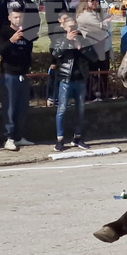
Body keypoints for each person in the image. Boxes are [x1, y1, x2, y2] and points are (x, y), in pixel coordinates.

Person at [0, 9, 35, 151]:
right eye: (16, 17)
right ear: (10, 18)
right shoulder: (4, 33)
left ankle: (19, 136)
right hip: (8, 75)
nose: (18, 20)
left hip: (22, 75)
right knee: (10, 107)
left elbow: (28, 53)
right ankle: (9, 137)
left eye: (20, 17)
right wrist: (11, 41)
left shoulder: (26, 35)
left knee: (22, 107)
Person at [52, 13, 91, 152]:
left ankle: (78, 138)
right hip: (65, 80)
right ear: (64, 27)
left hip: (80, 79)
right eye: (70, 26)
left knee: (80, 110)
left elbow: (93, 56)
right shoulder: (60, 39)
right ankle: (60, 139)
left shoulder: (83, 39)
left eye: (74, 26)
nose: (73, 29)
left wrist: (81, 46)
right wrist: (67, 41)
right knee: (62, 109)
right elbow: (55, 54)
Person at [76, 0, 113, 101]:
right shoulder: (83, 15)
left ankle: (104, 93)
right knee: (92, 72)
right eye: (92, 0)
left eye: (97, 0)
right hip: (91, 48)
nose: (95, 2)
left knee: (104, 71)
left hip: (104, 47)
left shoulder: (102, 14)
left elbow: (107, 28)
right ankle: (91, 94)